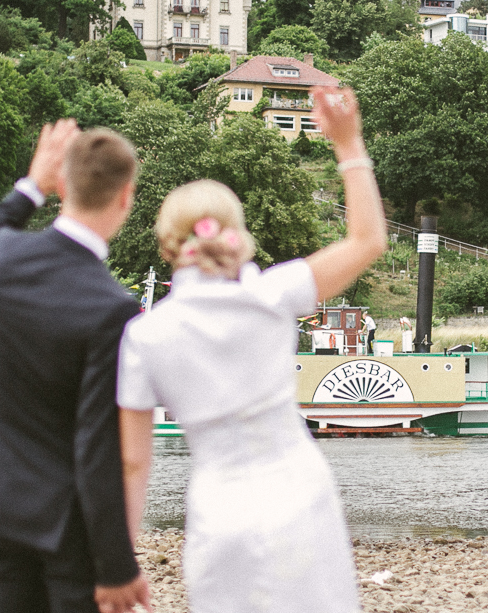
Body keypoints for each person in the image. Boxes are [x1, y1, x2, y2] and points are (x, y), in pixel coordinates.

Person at [115, 85, 387, 613]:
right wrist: (348, 144)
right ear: (237, 233)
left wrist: (121, 562)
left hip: (221, 512)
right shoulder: (272, 294)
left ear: (168, 245)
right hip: (300, 498)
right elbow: (368, 241)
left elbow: (131, 464)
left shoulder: (144, 336)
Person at [0, 122, 150, 613]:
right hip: (70, 534)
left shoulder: (2, 259)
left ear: (63, 185)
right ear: (126, 197)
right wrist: (117, 565)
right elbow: (96, 445)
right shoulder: (113, 307)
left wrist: (30, 186)